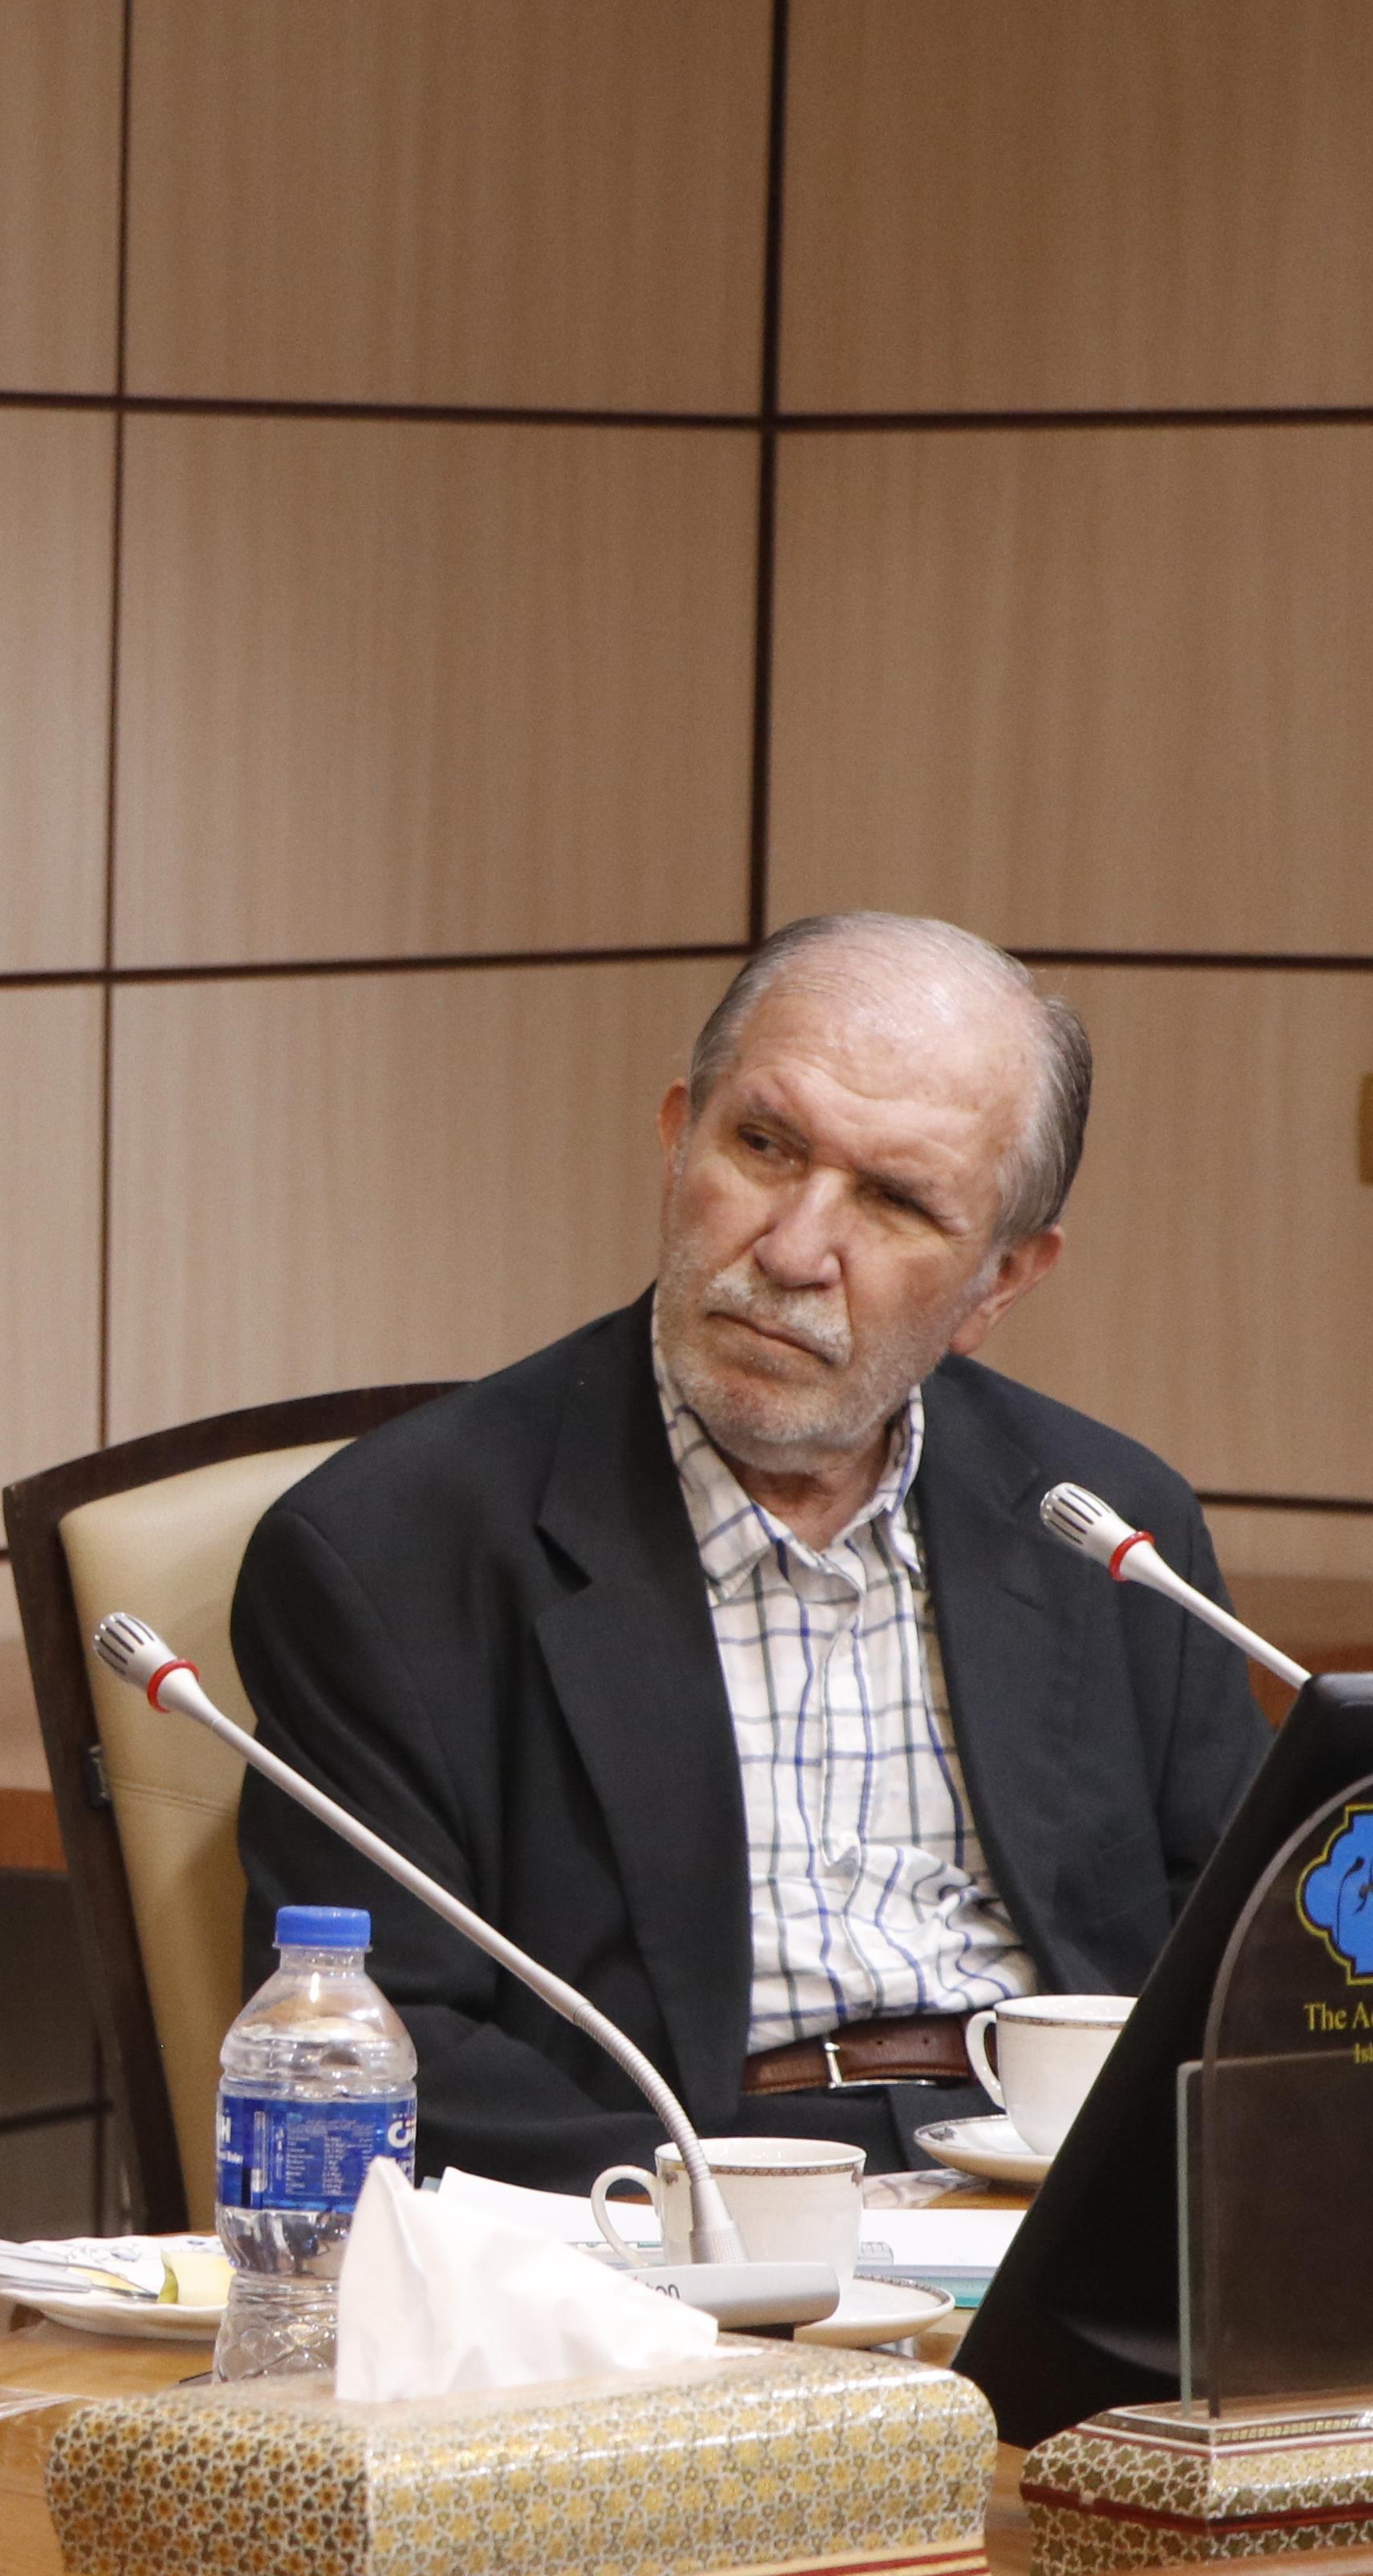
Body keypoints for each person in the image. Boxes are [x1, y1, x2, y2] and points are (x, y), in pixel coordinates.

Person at [228, 913, 1270, 2187]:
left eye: (894, 1200)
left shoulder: (1104, 1527)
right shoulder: (391, 1551)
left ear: (1000, 1283)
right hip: (678, 2213)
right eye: (764, 1147)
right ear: (679, 1140)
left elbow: (1254, 1971)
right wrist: (729, 2211)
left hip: (1059, 2195)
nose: (792, 1251)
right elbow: (369, 2045)